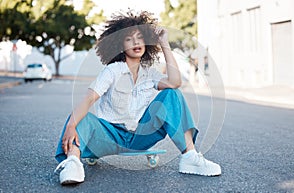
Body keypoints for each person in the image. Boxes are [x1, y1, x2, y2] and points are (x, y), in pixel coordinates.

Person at [54, 10, 221, 185]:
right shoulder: (112, 71)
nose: (136, 42)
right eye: (129, 39)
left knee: (172, 94)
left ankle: (190, 156)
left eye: (140, 37)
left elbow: (175, 82)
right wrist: (71, 125)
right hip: (110, 136)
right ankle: (73, 162)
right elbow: (89, 99)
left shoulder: (150, 74)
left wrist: (164, 43)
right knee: (82, 119)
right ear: (120, 45)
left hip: (140, 136)